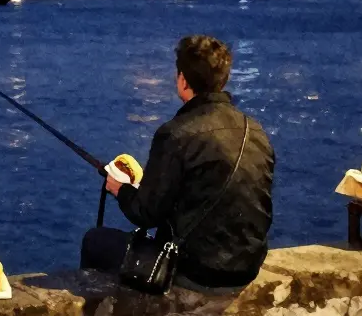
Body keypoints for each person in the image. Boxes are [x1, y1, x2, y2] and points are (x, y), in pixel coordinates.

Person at [81, 35, 275, 293]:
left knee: (95, 241)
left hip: (197, 270)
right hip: (246, 268)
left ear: (183, 80)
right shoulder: (255, 131)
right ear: (224, 79)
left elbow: (145, 214)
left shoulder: (176, 134)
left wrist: (120, 189)